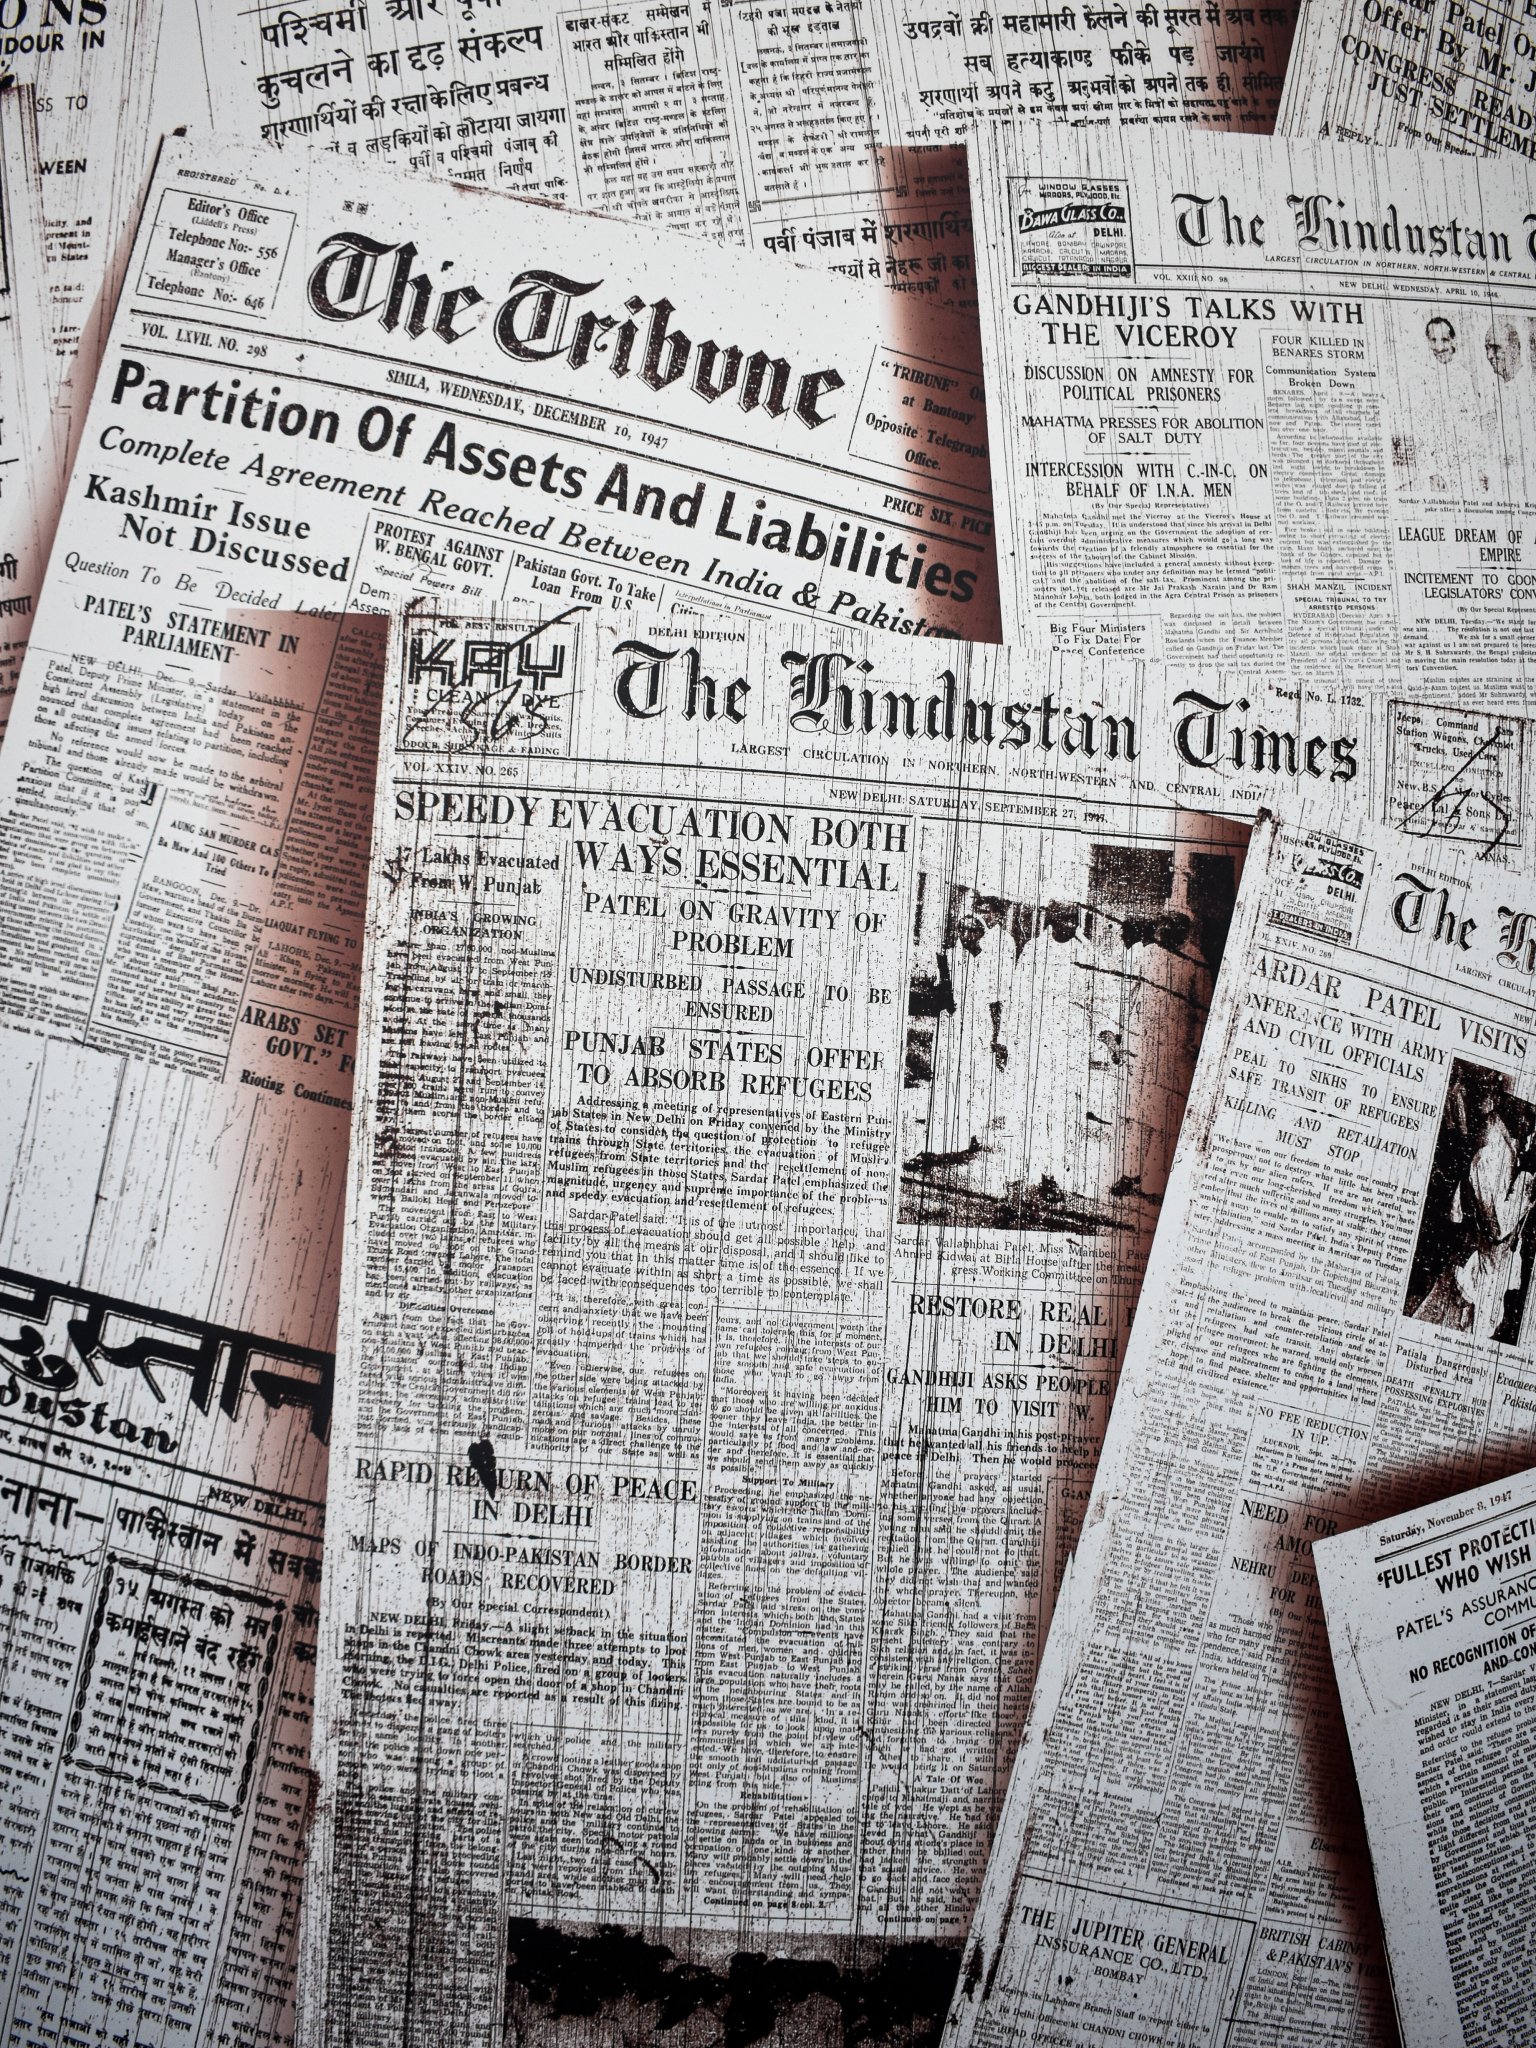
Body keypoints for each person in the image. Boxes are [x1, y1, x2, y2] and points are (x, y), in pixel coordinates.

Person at [1414, 1075, 1536, 1337]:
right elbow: (1498, 1226)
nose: (1533, 1124)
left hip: (1492, 1271)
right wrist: (1527, 1177)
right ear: (1509, 1103)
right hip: (1475, 1271)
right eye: (1529, 1111)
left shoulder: (1511, 1141)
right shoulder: (1490, 1148)